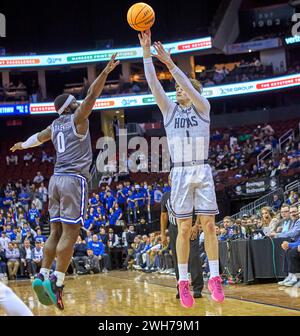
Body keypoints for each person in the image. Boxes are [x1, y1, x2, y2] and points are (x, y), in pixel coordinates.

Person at [10, 54, 119, 310]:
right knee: (71, 232)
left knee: (55, 231)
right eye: (76, 102)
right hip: (73, 180)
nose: (81, 103)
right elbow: (92, 95)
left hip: (55, 180)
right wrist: (104, 72)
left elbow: (37, 138)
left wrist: (21, 145)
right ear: (71, 106)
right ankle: (57, 283)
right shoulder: (77, 118)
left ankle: (42, 274)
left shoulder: (55, 125)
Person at [139, 30, 224, 308]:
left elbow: (184, 83)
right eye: (176, 88)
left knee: (209, 225)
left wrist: (171, 63)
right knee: (184, 229)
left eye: (182, 87)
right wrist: (147, 54)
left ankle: (214, 277)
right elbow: (153, 85)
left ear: (193, 92)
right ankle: (184, 281)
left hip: (201, 170)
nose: (177, 89)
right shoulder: (169, 111)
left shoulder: (203, 107)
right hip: (180, 172)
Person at [160, 183, 204, 299]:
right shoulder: (165, 196)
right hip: (174, 229)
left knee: (194, 257)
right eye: (172, 178)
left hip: (190, 226)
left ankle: (197, 288)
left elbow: (199, 208)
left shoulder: (189, 192)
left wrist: (196, 225)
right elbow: (164, 216)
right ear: (170, 181)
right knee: (177, 258)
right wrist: (163, 234)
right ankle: (182, 288)